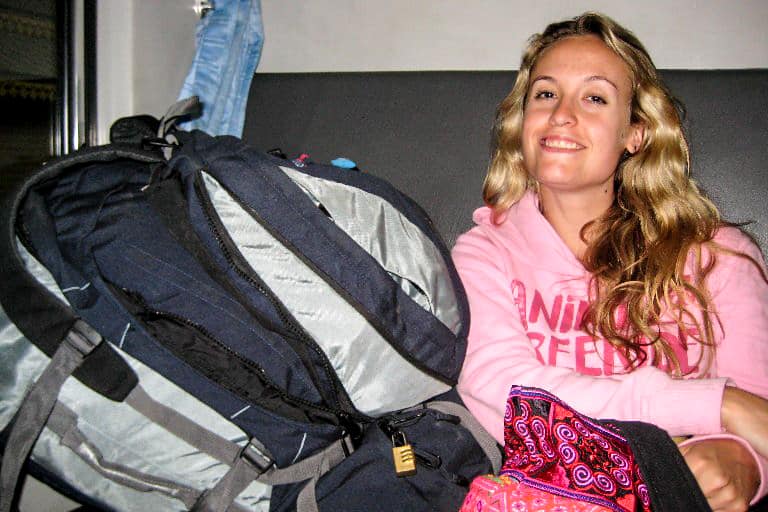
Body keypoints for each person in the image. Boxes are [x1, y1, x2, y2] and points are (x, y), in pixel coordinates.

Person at [452, 12, 768, 512]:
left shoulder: (718, 257)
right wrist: (713, 404)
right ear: (521, 123)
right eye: (545, 94)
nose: (561, 115)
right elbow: (506, 397)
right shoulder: (482, 253)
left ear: (635, 133)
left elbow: (761, 415)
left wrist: (742, 460)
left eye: (595, 98)